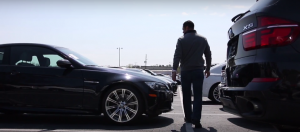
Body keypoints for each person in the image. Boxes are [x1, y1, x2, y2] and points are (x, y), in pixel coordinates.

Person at [172, 20, 211, 128]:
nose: (183, 31)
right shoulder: (202, 39)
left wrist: (174, 70)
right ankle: (197, 119)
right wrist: (207, 68)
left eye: (183, 29)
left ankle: (188, 117)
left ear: (187, 28)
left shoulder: (181, 40)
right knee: (198, 96)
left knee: (187, 95)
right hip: (198, 71)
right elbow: (208, 54)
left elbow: (177, 56)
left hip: (185, 71)